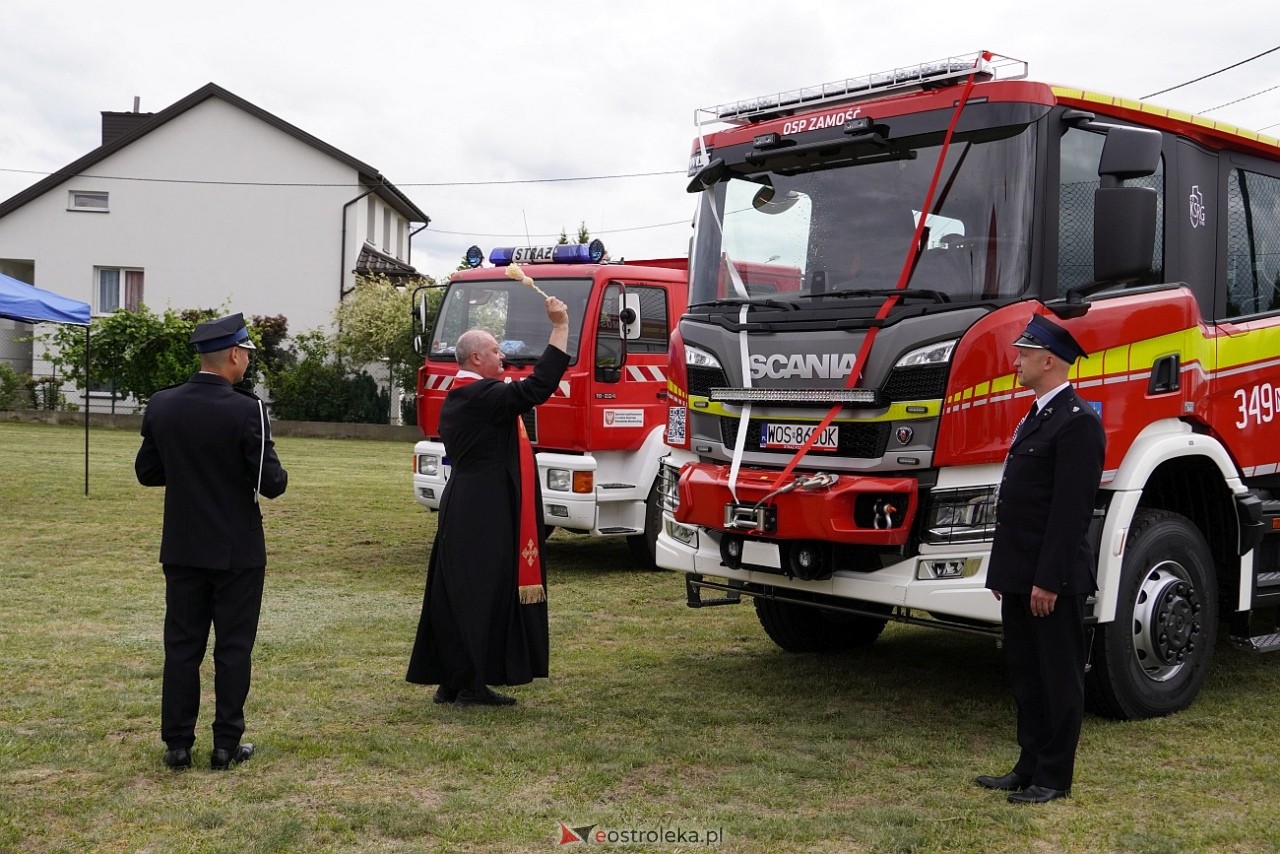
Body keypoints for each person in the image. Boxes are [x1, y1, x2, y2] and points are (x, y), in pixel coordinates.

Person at [135, 312, 288, 771]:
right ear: (235, 356)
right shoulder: (248, 409)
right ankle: (226, 744)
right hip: (236, 549)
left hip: (182, 545)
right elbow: (271, 482)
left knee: (182, 645)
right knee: (233, 647)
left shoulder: (162, 404)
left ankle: (178, 744)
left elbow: (148, 473)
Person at [406, 295, 570, 707]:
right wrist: (560, 328)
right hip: (483, 509)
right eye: (497, 350)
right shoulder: (482, 395)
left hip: (468, 503)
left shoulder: (465, 393)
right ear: (477, 357)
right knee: (481, 593)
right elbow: (538, 388)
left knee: (456, 592)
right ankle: (472, 686)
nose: (504, 356)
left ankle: (453, 679)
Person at [975, 313, 1105, 804]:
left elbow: (1070, 515)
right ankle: (1028, 765)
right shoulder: (1036, 416)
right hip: (1020, 574)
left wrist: (1047, 580)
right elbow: (1017, 504)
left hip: (1053, 580)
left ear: (1048, 360)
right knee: (1026, 675)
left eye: (1024, 354)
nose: (1017, 362)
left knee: (1058, 677)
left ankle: (1054, 776)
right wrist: (1005, 574)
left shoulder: (1077, 424)